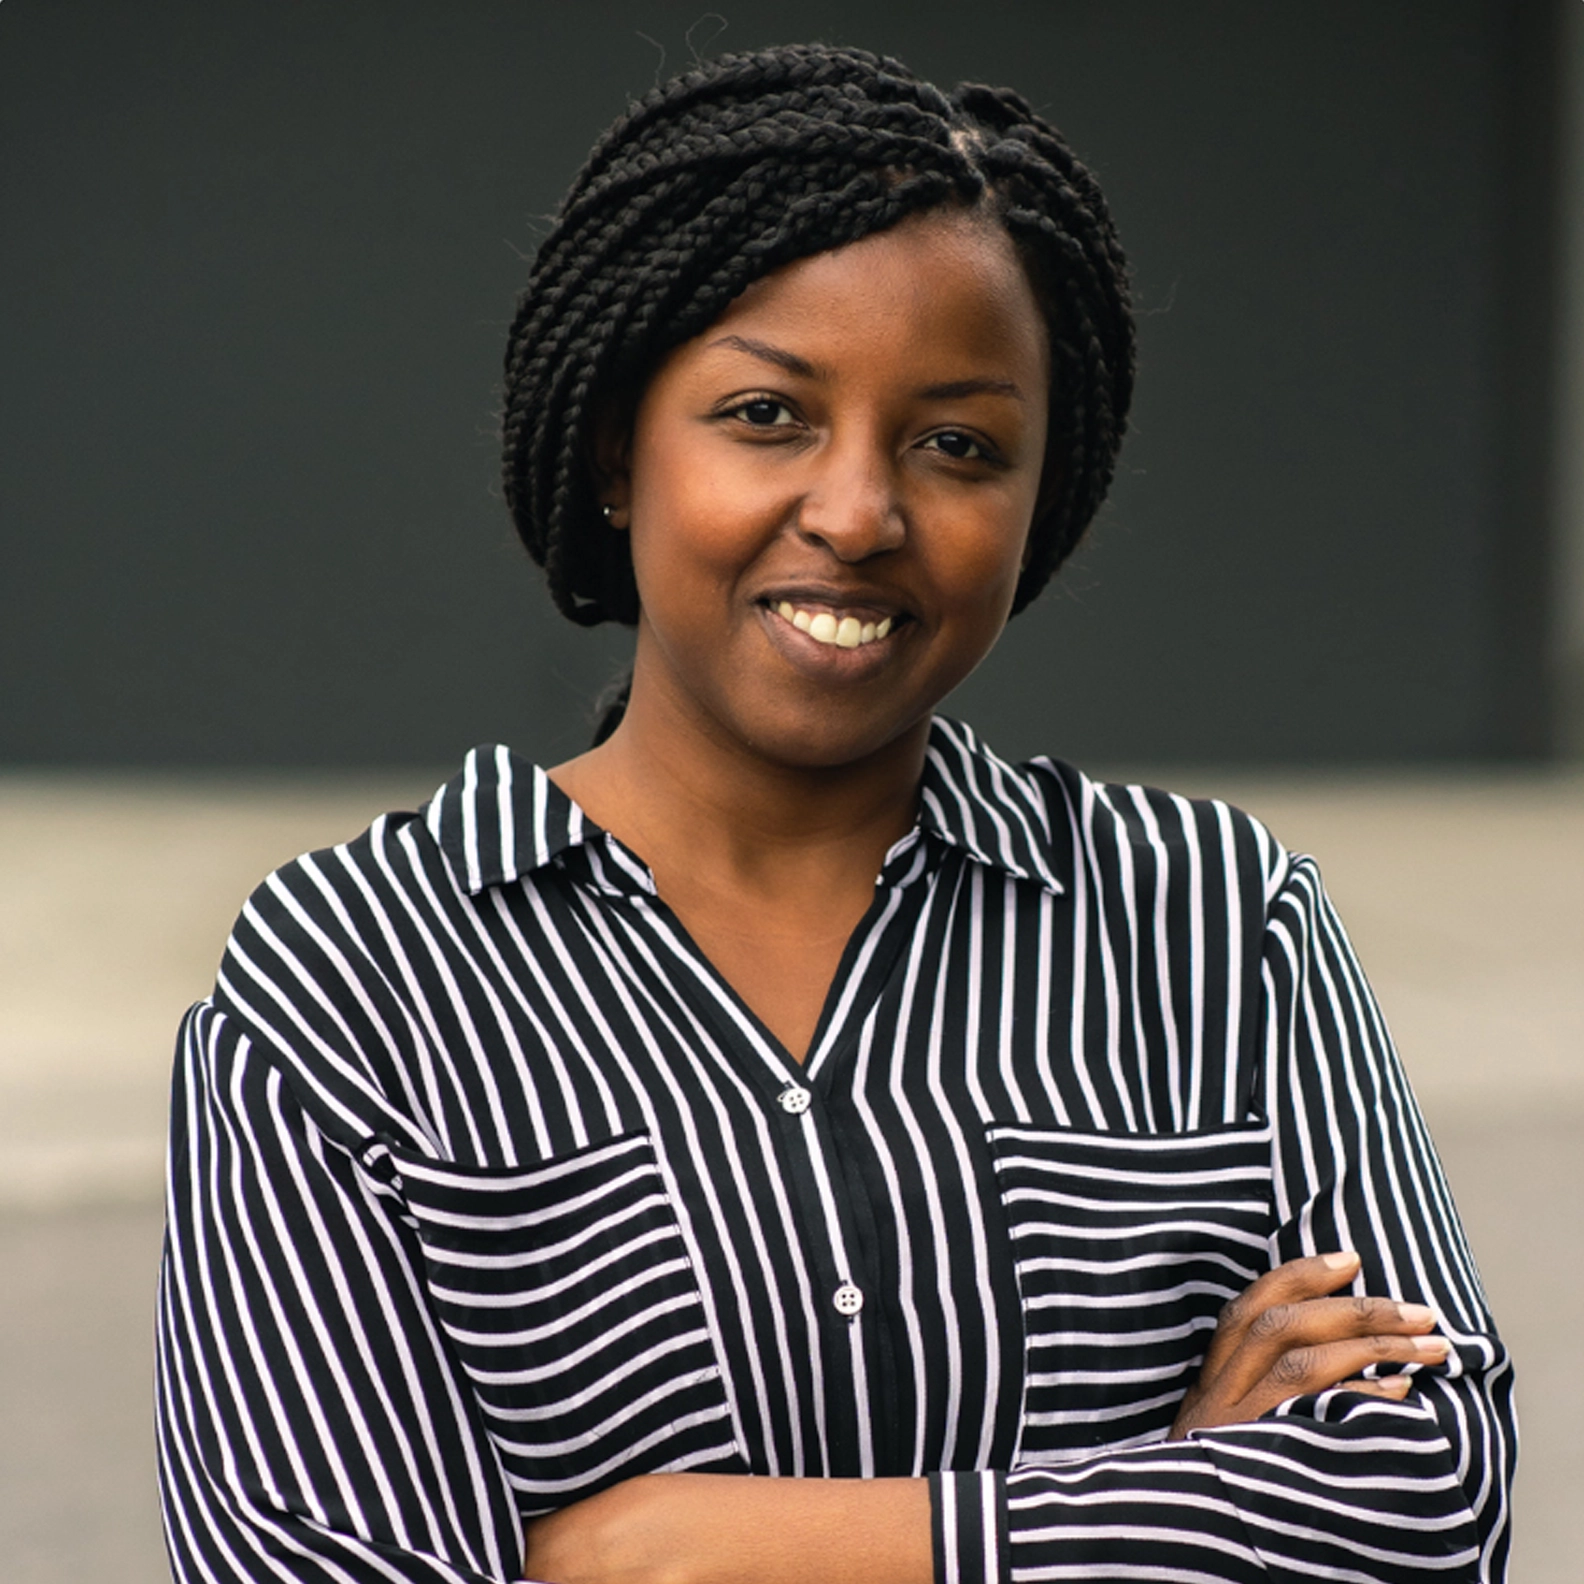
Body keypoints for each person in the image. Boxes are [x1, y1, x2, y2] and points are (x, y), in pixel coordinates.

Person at [155, 42, 1515, 1584]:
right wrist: (1174, 1493)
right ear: (616, 449)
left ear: (1043, 496)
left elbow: (1427, 1504)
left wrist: (664, 1551)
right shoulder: (349, 983)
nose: (861, 513)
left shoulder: (1212, 922)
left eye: (958, 445)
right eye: (766, 414)